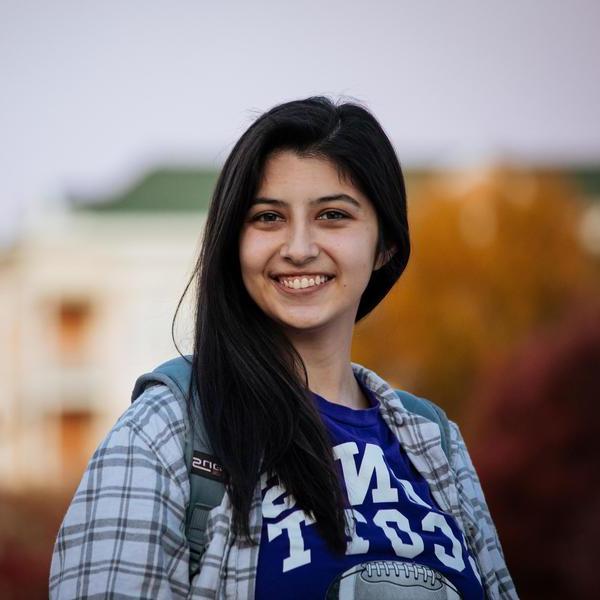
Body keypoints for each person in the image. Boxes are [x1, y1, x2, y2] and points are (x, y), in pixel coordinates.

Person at [49, 96, 517, 599]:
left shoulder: (435, 442)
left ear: (385, 247)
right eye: (268, 217)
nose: (297, 248)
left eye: (333, 215)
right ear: (234, 242)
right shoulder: (170, 428)